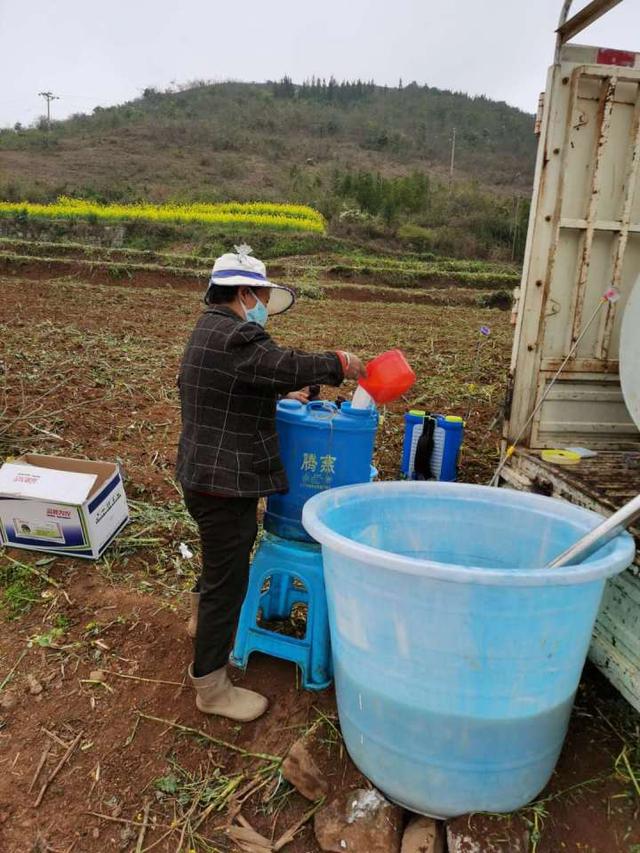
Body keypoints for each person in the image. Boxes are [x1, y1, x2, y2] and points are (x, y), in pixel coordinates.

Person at [176, 245, 364, 722]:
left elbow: (246, 382)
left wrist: (284, 389)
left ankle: (200, 620)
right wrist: (338, 363)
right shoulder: (238, 336)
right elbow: (281, 363)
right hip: (223, 482)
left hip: (203, 475)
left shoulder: (207, 330)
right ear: (243, 293)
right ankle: (212, 687)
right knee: (230, 578)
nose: (263, 306)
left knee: (219, 561)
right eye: (260, 295)